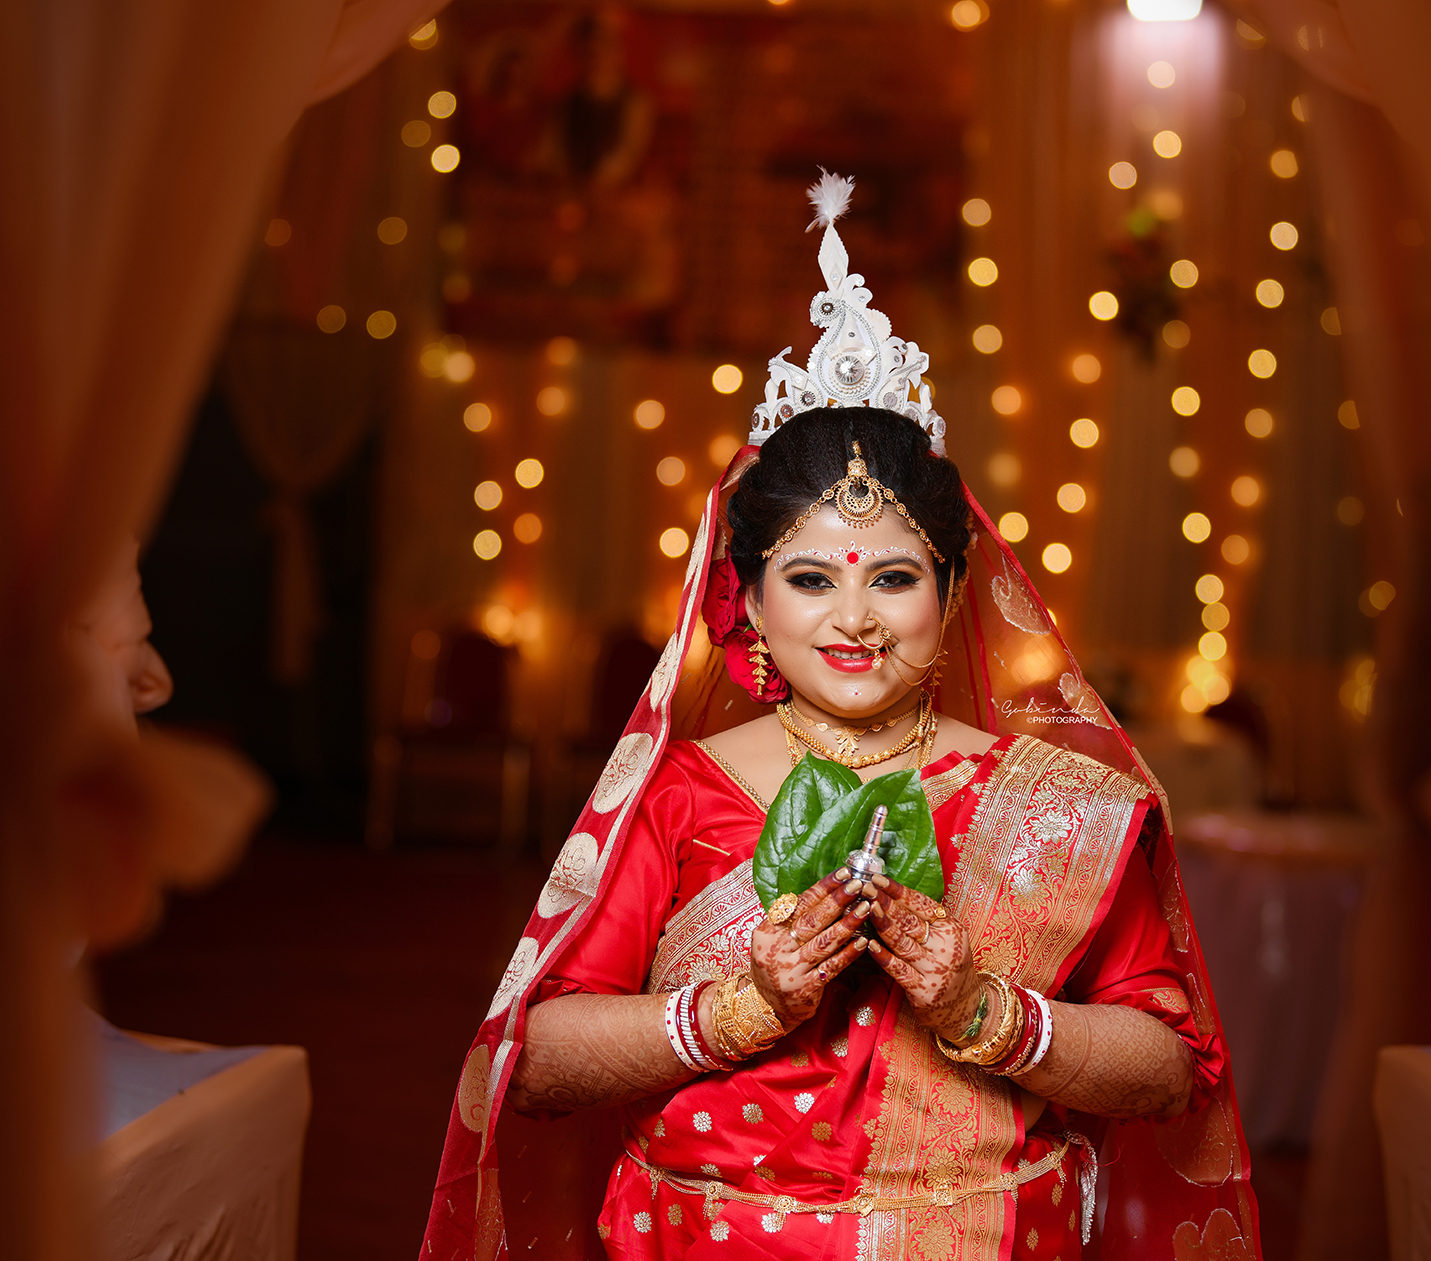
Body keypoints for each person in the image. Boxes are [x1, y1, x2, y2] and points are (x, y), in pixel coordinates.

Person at [421, 176, 1257, 1261]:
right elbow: (533, 1061)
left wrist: (982, 1008)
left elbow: (1164, 1064)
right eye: (811, 579)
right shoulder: (681, 788)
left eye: (895, 577)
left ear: (954, 596)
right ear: (749, 600)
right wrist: (740, 1006)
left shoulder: (1058, 808)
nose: (854, 618)